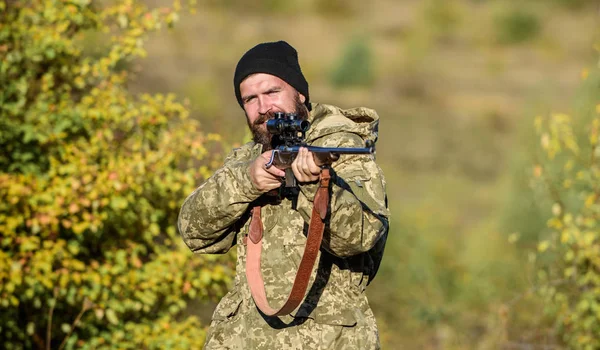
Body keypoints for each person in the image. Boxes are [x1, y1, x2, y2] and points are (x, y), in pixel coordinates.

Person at [178, 40, 389, 349]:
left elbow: (359, 237)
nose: (264, 107)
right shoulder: (245, 160)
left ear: (299, 93)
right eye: (251, 98)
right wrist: (247, 181)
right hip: (244, 339)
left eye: (273, 92)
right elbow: (194, 232)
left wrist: (316, 185)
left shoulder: (343, 149)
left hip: (329, 341)